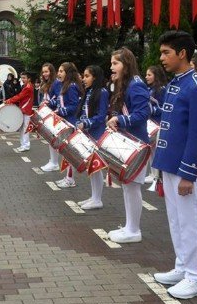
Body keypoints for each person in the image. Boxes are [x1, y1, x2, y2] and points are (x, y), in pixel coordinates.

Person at [152, 30, 197, 300]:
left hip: (183, 166)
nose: (161, 58)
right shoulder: (178, 82)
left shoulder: (196, 86)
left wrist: (189, 173)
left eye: (166, 52)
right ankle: (182, 266)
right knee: (176, 220)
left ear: (182, 53)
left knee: (189, 221)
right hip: (170, 163)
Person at [106, 47, 151, 244]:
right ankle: (129, 226)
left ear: (127, 64)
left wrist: (119, 120)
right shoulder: (127, 84)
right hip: (129, 140)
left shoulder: (136, 85)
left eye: (115, 63)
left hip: (137, 143)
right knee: (127, 186)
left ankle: (134, 230)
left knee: (132, 187)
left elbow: (143, 114)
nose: (111, 67)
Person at [76, 65, 109, 210]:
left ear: (95, 77)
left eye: (87, 76)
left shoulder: (102, 92)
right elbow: (84, 111)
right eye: (83, 76)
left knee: (96, 167)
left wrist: (86, 123)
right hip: (87, 133)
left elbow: (101, 116)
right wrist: (79, 122)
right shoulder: (89, 92)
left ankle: (97, 199)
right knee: (91, 167)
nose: (84, 79)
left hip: (96, 133)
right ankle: (94, 197)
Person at [53, 62, 84, 189]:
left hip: (70, 122)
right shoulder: (63, 85)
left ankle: (70, 179)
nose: (58, 73)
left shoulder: (71, 86)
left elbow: (74, 105)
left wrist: (60, 111)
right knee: (66, 152)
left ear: (68, 73)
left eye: (61, 71)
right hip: (65, 121)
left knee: (69, 153)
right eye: (58, 71)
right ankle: (67, 177)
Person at [144, 65, 168, 184]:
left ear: (156, 75)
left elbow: (165, 108)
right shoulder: (151, 89)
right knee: (151, 149)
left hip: (159, 123)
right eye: (147, 74)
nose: (146, 77)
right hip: (151, 122)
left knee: (157, 149)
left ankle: (157, 175)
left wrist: (152, 110)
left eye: (149, 75)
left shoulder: (162, 89)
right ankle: (153, 173)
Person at [39, 63, 62, 172]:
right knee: (50, 139)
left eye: (46, 71)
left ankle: (54, 163)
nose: (44, 74)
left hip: (54, 114)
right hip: (48, 113)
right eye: (43, 72)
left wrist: (48, 103)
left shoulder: (56, 83)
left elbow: (59, 99)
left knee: (53, 139)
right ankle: (52, 161)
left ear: (52, 72)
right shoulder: (47, 83)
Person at [5, 71, 33, 153]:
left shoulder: (28, 87)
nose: (22, 79)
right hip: (23, 109)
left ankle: (26, 145)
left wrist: (9, 100)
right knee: (22, 128)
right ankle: (23, 145)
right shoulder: (26, 86)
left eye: (24, 78)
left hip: (26, 110)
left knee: (24, 129)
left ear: (29, 79)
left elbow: (19, 96)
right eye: (22, 78)